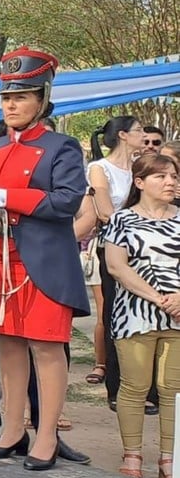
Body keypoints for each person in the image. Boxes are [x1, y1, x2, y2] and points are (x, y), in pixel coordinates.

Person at [0, 46, 90, 471]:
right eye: (6, 97)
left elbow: (67, 201)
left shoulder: (61, 147)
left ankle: (48, 436)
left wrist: (8, 197)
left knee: (46, 349)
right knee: (8, 348)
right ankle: (13, 427)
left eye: (21, 96)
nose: (11, 104)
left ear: (42, 99)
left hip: (42, 263)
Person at [102, 153, 180, 478]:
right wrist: (160, 298)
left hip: (178, 317)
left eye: (174, 176)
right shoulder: (122, 220)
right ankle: (132, 454)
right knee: (134, 386)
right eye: (161, 177)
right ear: (139, 182)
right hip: (134, 316)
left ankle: (169, 458)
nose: (170, 182)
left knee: (172, 389)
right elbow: (116, 266)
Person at [86, 116, 158, 416]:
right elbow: (104, 211)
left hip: (151, 252)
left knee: (153, 317)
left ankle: (151, 389)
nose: (145, 135)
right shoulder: (99, 169)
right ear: (124, 136)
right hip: (116, 249)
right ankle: (117, 387)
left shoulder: (146, 167)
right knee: (117, 315)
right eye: (140, 130)